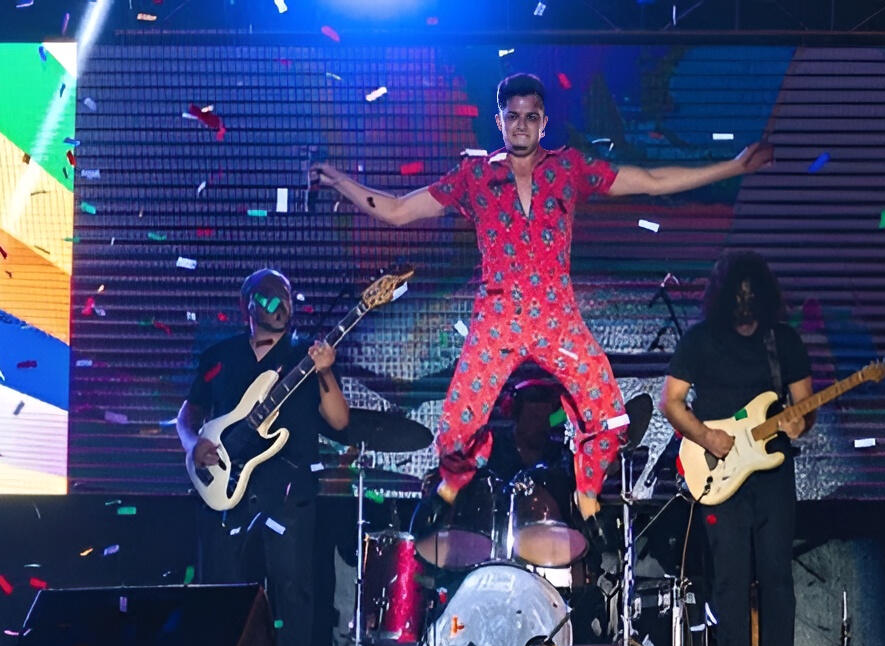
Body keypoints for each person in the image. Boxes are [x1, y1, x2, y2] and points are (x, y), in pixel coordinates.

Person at [311, 73, 774, 520]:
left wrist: (733, 166)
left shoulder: (568, 169)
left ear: (544, 122)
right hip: (498, 319)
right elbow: (395, 211)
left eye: (531, 116)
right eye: (512, 116)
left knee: (612, 419)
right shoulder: (475, 176)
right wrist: (338, 181)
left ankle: (587, 492)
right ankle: (455, 477)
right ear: (499, 121)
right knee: (454, 432)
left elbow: (650, 179)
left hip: (558, 318)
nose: (521, 125)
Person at [176, 268, 350, 646]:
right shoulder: (219, 357)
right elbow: (188, 414)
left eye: (287, 295)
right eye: (269, 296)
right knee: (223, 599)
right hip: (225, 492)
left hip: (288, 495)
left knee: (293, 599)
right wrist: (191, 445)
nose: (280, 304)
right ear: (247, 305)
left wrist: (325, 370)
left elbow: (339, 421)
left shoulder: (306, 356)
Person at [660, 251, 815, 646]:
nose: (745, 303)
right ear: (725, 296)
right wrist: (708, 437)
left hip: (773, 478)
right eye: (739, 295)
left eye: (752, 295)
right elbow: (671, 402)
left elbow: (804, 402)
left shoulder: (781, 341)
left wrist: (802, 419)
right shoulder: (701, 340)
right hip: (719, 476)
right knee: (729, 584)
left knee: (777, 582)